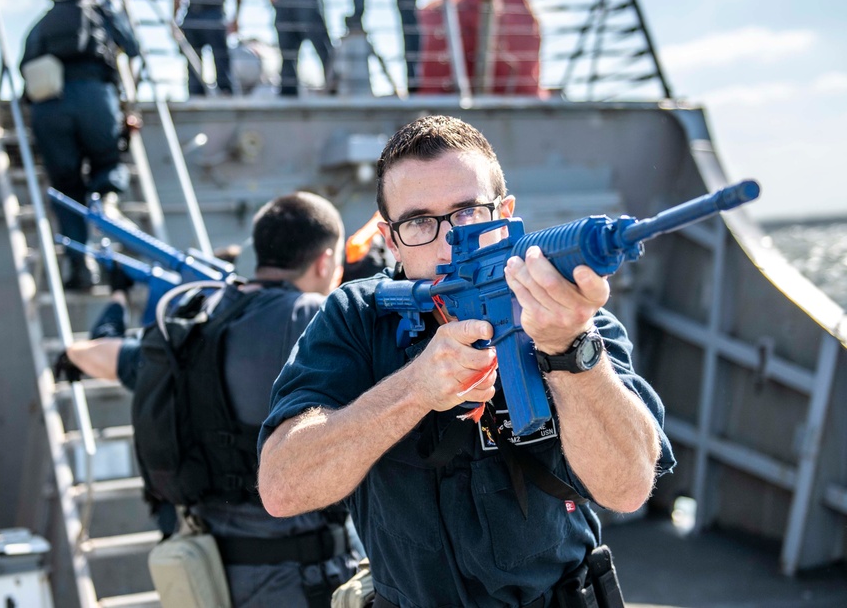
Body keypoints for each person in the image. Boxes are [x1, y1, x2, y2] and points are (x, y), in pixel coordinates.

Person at [258, 115, 676, 607]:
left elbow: (627, 489)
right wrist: (414, 389)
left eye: (467, 212)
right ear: (391, 240)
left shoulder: (568, 313)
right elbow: (282, 487)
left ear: (506, 211)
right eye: (419, 222)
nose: (447, 240)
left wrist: (570, 350)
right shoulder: (356, 318)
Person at [61, 193, 358, 607]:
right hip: (302, 581)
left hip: (210, 578)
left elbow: (101, 355)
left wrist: (70, 355)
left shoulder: (197, 320)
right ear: (325, 262)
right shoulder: (317, 318)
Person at [20, 0, 140, 290]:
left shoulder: (45, 20)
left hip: (50, 107)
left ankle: (81, 267)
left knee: (67, 187)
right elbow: (132, 46)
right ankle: (107, 202)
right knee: (107, 162)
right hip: (95, 98)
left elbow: (26, 63)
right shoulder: (101, 12)